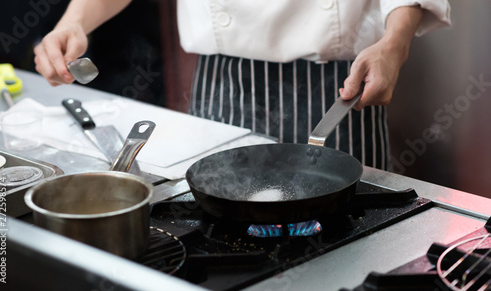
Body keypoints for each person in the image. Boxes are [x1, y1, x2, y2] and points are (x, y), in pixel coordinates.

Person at [33, 0, 451, 171]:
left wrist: (394, 44)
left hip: (338, 89)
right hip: (222, 87)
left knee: (352, 239)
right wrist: (73, 22)